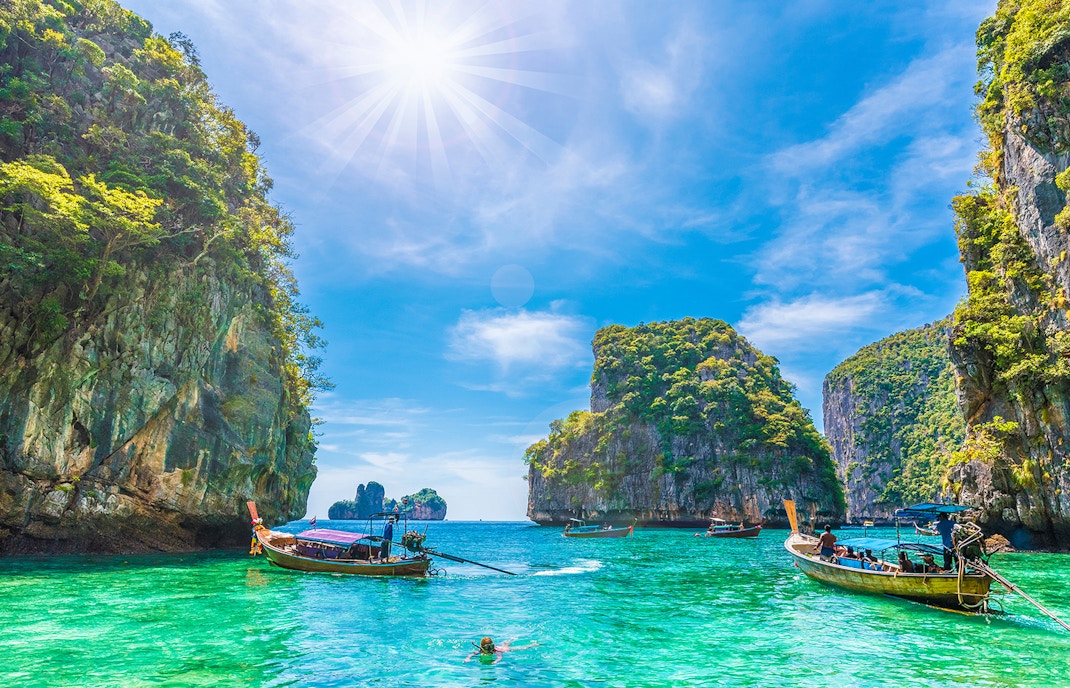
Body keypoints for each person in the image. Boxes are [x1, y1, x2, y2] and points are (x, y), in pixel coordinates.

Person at [465, 637, 538, 664]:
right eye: (487, 648)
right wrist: (468, 658)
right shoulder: (482, 650)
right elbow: (472, 654)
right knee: (505, 644)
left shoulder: (496, 651)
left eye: (491, 647)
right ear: (482, 647)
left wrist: (495, 661)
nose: (490, 650)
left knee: (521, 648)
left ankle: (533, 644)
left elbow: (499, 657)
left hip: (504, 650)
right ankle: (509, 640)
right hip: (501, 647)